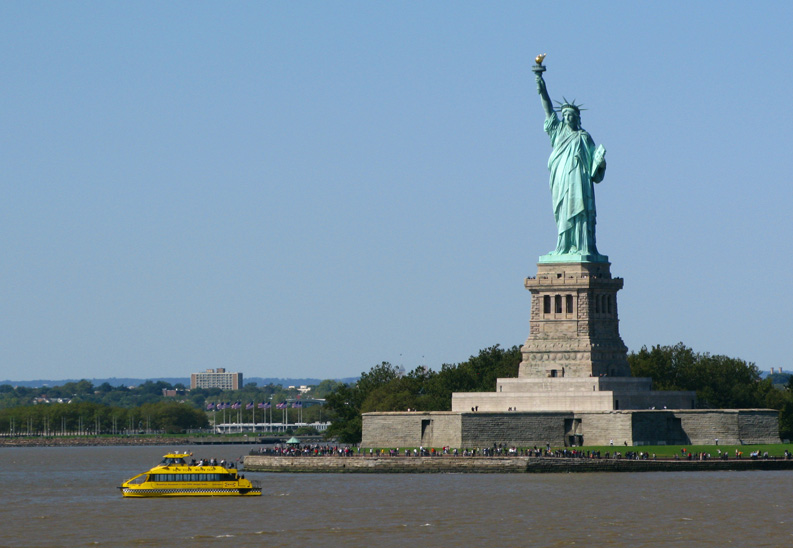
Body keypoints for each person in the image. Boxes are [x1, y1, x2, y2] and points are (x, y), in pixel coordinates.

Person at [534, 67, 607, 260]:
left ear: (577, 118)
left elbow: (594, 169)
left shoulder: (584, 137)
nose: (567, 117)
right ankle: (564, 247)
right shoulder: (557, 132)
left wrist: (599, 162)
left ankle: (583, 247)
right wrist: (541, 85)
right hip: (561, 180)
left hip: (579, 182)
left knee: (580, 212)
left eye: (570, 115)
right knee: (563, 212)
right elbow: (548, 108)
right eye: (564, 115)